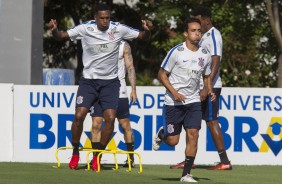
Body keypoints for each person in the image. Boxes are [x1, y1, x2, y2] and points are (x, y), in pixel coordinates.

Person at [48, 3, 152, 170]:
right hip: (88, 81)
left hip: (110, 83)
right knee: (79, 115)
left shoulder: (118, 29)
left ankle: (97, 155)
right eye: (102, 18)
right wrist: (54, 30)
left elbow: (142, 37)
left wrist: (147, 30)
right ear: (95, 17)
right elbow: (60, 36)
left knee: (110, 119)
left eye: (107, 18)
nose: (105, 21)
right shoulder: (85, 29)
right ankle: (75, 152)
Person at [152, 18, 216, 182]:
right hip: (173, 102)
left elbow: (207, 75)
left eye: (199, 31)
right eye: (193, 31)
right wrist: (174, 92)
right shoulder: (177, 52)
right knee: (173, 141)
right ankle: (162, 134)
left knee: (194, 134)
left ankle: (186, 174)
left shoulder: (205, 54)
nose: (197, 34)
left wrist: (209, 90)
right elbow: (161, 74)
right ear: (186, 34)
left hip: (193, 101)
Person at [170, 6, 232, 170]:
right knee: (191, 125)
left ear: (205, 19)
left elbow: (216, 61)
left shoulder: (214, 35)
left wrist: (207, 87)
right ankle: (188, 160)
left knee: (212, 121)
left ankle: (224, 161)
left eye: (198, 19)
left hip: (210, 86)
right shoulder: (204, 37)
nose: (197, 23)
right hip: (197, 88)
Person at [90, 40, 137, 169]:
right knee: (96, 124)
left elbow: (130, 67)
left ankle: (130, 158)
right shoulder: (94, 41)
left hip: (119, 90)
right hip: (98, 90)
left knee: (125, 124)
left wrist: (133, 89)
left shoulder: (123, 45)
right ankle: (96, 159)